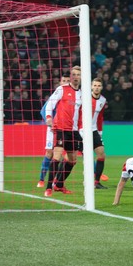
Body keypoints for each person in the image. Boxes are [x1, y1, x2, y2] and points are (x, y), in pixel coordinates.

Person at [43, 66, 83, 197]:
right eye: (74, 74)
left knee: (72, 160)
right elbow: (50, 104)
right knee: (57, 156)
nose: (76, 76)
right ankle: (48, 187)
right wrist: (49, 118)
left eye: (78, 74)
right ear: (70, 77)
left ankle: (59, 184)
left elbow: (82, 114)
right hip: (60, 128)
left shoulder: (83, 94)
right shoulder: (62, 89)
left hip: (74, 130)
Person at [37, 73, 70, 188]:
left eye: (68, 80)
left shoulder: (71, 95)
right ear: (60, 82)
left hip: (66, 128)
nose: (66, 82)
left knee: (65, 155)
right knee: (49, 153)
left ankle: (56, 179)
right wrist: (50, 122)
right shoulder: (57, 94)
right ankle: (41, 179)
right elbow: (44, 110)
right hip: (53, 129)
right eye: (64, 80)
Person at [88, 77, 109, 189]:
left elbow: (100, 117)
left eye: (99, 86)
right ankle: (58, 180)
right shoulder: (84, 97)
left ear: (101, 87)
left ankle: (96, 182)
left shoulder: (103, 100)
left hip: (93, 130)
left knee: (101, 154)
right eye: (95, 85)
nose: (96, 88)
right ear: (91, 86)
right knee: (70, 157)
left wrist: (100, 132)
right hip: (80, 130)